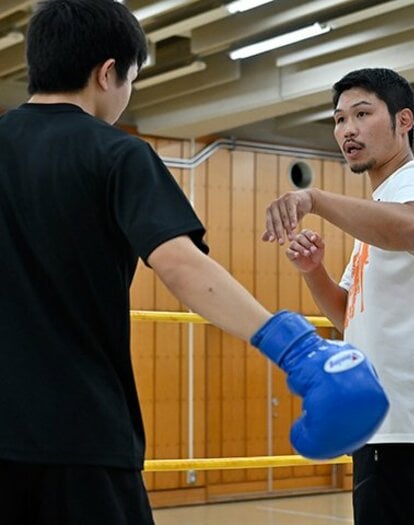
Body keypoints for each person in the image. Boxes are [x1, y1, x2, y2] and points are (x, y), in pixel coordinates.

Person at [0, 1, 389, 523]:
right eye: (131, 79)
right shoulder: (115, 154)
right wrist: (295, 350)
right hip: (77, 435)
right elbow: (180, 264)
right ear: (108, 73)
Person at [263, 67, 414, 525]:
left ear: (404, 121)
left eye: (362, 114)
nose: (347, 130)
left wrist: (314, 199)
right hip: (392, 417)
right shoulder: (379, 209)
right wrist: (313, 271)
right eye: (339, 119)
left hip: (401, 415)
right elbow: (346, 316)